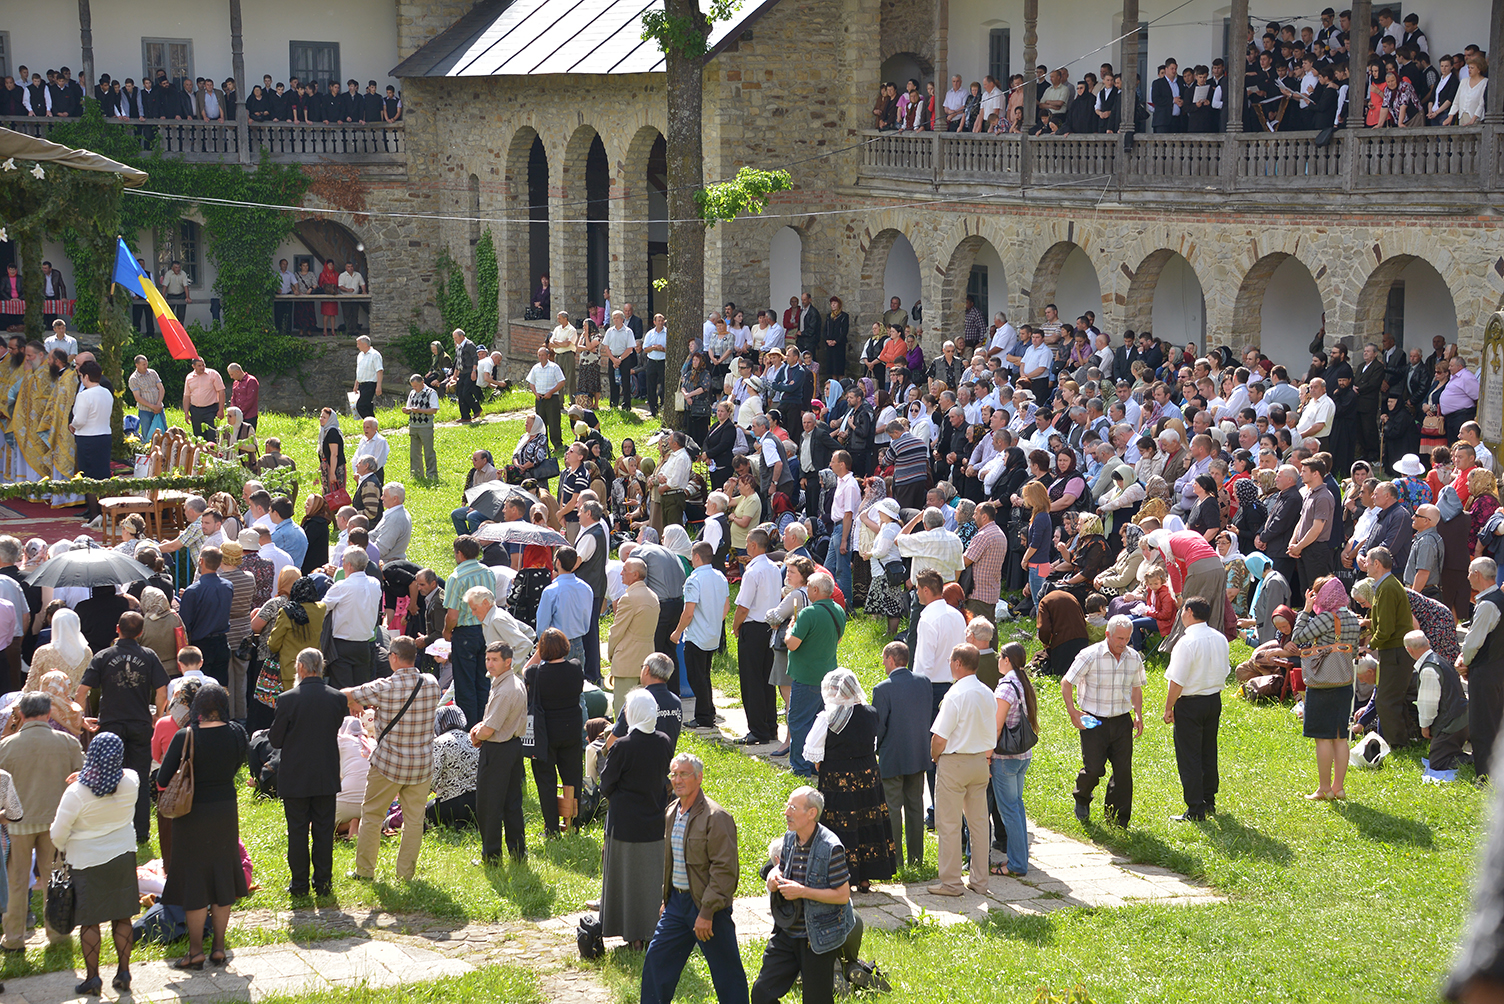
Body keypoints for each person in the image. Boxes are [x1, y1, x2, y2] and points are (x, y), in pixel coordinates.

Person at [640, 753, 746, 1004]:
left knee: (727, 973)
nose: (677, 780)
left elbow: (724, 869)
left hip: (708, 907)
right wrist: (667, 898)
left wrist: (707, 912)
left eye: (683, 774)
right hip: (677, 904)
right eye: (673, 774)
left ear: (699, 777)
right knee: (656, 963)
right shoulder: (672, 812)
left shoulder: (716, 816)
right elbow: (673, 860)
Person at [157, 683, 249, 969]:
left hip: (191, 813)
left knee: (194, 880)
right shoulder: (237, 733)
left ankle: (195, 951)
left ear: (197, 707)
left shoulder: (186, 736)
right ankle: (219, 948)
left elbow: (162, 779)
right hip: (225, 809)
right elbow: (238, 765)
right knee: (223, 874)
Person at [343, 637, 440, 880]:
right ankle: (405, 874)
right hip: (421, 765)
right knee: (415, 821)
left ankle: (365, 871)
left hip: (389, 764)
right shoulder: (431, 683)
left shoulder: (384, 687)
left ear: (393, 657)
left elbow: (346, 694)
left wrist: (355, 702)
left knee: (373, 816)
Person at [751, 785, 856, 1004]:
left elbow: (842, 896)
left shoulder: (830, 847)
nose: (786, 812)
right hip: (788, 931)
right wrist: (773, 874)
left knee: (817, 999)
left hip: (818, 936)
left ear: (811, 813)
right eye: (787, 806)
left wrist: (803, 892)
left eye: (792, 807)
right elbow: (782, 867)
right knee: (762, 993)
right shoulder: (790, 838)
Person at [50, 732, 138, 995]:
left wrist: (65, 846)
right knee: (122, 917)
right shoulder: (131, 781)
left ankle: (93, 978)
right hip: (123, 856)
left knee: (90, 922)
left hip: (86, 861)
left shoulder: (76, 793)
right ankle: (124, 972)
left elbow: (57, 834)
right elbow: (115, 778)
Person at [77, 612, 169, 844]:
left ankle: (110, 829)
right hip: (139, 723)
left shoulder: (103, 656)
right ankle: (141, 832)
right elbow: (162, 690)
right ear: (141, 632)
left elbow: (81, 691)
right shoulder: (149, 656)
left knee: (108, 776)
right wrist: (158, 716)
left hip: (110, 726)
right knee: (138, 777)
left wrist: (80, 719)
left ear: (117, 628)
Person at [0, 692, 82, 952]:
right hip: (57, 822)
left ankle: (13, 939)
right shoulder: (68, 742)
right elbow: (82, 781)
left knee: (17, 881)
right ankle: (58, 934)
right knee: (55, 878)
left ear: (21, 715)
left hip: (17, 824)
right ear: (49, 714)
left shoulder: (6, 746)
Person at [802, 667, 895, 893]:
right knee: (866, 823)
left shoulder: (828, 718)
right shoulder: (871, 712)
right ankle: (865, 878)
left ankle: (842, 877)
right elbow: (871, 745)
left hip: (838, 778)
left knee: (841, 826)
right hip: (867, 776)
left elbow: (813, 752)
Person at [268, 647, 348, 898]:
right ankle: (323, 883)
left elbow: (276, 739)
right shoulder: (337, 697)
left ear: (300, 668)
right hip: (325, 771)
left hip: (295, 775)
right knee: (324, 832)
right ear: (320, 667)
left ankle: (299, 884)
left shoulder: (288, 699)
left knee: (298, 831)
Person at [600, 689, 675, 950]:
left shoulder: (622, 745)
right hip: (654, 819)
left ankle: (632, 935)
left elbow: (606, 784)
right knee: (651, 880)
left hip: (625, 824)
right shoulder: (664, 741)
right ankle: (652, 929)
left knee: (627, 880)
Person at [925, 643, 994, 898]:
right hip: (980, 761)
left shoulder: (955, 695)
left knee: (949, 824)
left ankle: (951, 883)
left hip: (955, 762)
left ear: (957, 663)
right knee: (979, 824)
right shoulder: (987, 692)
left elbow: (939, 737)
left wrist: (935, 757)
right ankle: (979, 880)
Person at [1062, 616, 1146, 826]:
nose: (1123, 643)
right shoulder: (1090, 655)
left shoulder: (1133, 657)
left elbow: (1136, 688)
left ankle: (1117, 819)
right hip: (1093, 720)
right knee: (1094, 768)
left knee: (1123, 771)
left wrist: (1138, 714)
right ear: (1107, 634)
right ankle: (1082, 798)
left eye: (1127, 638)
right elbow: (1067, 682)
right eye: (1119, 638)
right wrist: (1073, 712)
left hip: (1121, 720)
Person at [1291, 577, 1360, 799]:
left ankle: (1324, 788)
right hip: (1344, 681)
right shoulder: (1351, 617)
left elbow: (1298, 636)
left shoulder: (1326, 617)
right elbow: (1355, 650)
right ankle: (1338, 787)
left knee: (1323, 737)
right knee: (1340, 737)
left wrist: (1306, 610)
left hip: (1322, 682)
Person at [1163, 596, 1228, 822]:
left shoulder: (1186, 642)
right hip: (1213, 700)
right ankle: (1208, 800)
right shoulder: (1220, 638)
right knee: (1208, 751)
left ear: (1189, 611)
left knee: (1189, 756)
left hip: (1190, 703)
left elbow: (1177, 681)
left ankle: (1195, 808)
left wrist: (1168, 706)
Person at [469, 641, 529, 862]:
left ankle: (491, 856)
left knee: (489, 804)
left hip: (498, 750)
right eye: (488, 659)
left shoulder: (505, 689)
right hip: (512, 747)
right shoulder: (512, 681)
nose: (490, 664)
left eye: (495, 660)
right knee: (512, 802)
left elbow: (490, 728)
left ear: (508, 661)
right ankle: (517, 852)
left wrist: (476, 734)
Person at [523, 629, 585, 836]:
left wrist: (539, 652)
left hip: (545, 732)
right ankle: (574, 822)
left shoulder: (535, 674)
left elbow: (524, 671)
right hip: (571, 730)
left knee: (546, 782)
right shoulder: (576, 668)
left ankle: (551, 828)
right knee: (573, 776)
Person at [872, 641, 928, 867]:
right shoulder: (924, 683)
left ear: (890, 659)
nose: (883, 663)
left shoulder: (882, 688)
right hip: (918, 752)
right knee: (915, 807)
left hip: (893, 756)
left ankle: (894, 861)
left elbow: (879, 727)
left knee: (892, 809)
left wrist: (878, 749)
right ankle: (917, 859)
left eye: (884, 658)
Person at [784, 573, 847, 778]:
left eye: (809, 586)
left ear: (816, 590)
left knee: (799, 722)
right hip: (828, 678)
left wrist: (789, 629)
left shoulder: (808, 614)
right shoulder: (839, 610)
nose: (807, 589)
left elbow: (792, 644)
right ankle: (815, 764)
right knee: (820, 723)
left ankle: (800, 767)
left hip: (806, 677)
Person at [672, 542, 731, 730]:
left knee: (696, 677)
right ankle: (708, 711)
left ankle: (704, 717)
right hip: (713, 635)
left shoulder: (694, 579)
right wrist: (714, 622)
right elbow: (726, 606)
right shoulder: (720, 576)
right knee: (704, 676)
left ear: (696, 557)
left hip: (696, 637)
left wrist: (677, 632)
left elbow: (689, 612)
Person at [990, 642, 1037, 876]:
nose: (998, 660)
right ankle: (1020, 859)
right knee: (1016, 807)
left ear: (1007, 659)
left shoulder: (1006, 686)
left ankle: (1017, 864)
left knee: (1009, 809)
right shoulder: (1022, 682)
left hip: (1005, 757)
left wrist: (987, 754)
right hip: (1022, 755)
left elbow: (996, 725)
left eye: (1000, 656)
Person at [733, 528, 782, 743]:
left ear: (753, 545)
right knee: (767, 680)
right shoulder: (774, 568)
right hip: (771, 627)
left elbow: (743, 607)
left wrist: (736, 626)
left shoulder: (752, 571)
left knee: (751, 681)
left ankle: (757, 730)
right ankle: (770, 726)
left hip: (753, 627)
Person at [1366, 547, 1415, 748]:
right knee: (1394, 698)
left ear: (1376, 564)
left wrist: (1369, 646)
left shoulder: (1386, 587)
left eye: (1368, 562)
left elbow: (1385, 629)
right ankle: (1407, 738)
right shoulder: (1387, 585)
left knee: (1386, 700)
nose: (1366, 566)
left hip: (1395, 651)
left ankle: (1396, 744)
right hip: (1395, 650)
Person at [1460, 558, 1504, 781]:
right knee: (1496, 723)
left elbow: (1472, 643)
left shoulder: (1488, 605)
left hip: (1486, 671)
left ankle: (1485, 776)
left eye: (1469, 573)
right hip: (1498, 669)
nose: (1467, 577)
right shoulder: (1500, 599)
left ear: (1477, 574)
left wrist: (1464, 662)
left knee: (1482, 725)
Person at [1406, 629, 1470, 773]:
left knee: (1439, 762)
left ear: (1408, 650)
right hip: (1461, 716)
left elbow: (1428, 704)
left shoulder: (1429, 668)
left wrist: (1425, 726)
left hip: (1452, 722)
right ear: (1428, 642)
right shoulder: (1439, 659)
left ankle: (1482, 760)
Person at [322, 548, 382, 689]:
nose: (341, 565)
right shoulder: (375, 584)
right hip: (364, 645)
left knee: (343, 692)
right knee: (360, 691)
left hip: (342, 646)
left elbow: (322, 609)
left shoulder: (342, 586)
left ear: (349, 565)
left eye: (343, 561)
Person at [607, 557, 659, 715]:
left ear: (635, 575)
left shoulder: (628, 598)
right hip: (647, 657)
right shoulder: (653, 596)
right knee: (642, 708)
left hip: (627, 660)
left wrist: (611, 654)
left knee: (623, 709)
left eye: (625, 571)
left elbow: (617, 631)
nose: (621, 573)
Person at [178, 547, 232, 686]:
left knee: (202, 688)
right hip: (222, 643)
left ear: (201, 561)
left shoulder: (193, 591)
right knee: (221, 687)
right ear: (220, 563)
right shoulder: (227, 586)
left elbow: (185, 623)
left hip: (202, 644)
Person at [426, 705, 479, 826]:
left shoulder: (439, 742)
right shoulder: (475, 740)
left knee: (426, 811)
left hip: (451, 803)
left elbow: (432, 779)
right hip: (479, 803)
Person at [181, 357, 225, 439]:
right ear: (193, 366)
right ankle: (201, 451)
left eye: (203, 365)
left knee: (213, 435)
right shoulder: (189, 377)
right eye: (199, 366)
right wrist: (186, 413)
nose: (202, 367)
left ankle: (213, 451)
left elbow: (221, 391)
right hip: (196, 411)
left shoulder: (213, 374)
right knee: (199, 436)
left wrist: (221, 409)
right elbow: (186, 396)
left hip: (211, 409)